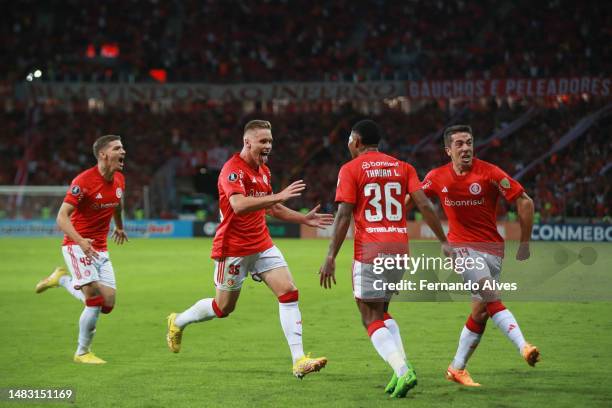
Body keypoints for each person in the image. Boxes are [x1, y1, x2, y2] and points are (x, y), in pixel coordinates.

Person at [166, 120, 333, 378]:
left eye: (270, 141)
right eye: (262, 141)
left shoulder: (263, 170)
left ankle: (299, 360)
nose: (267, 146)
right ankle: (178, 321)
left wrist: (303, 218)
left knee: (289, 292)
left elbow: (272, 208)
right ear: (247, 142)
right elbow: (239, 205)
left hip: (261, 243)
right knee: (223, 309)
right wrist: (279, 195)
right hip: (233, 247)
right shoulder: (232, 170)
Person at [319, 119, 450, 398]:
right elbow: (425, 204)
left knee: (368, 316)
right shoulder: (404, 167)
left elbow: (343, 215)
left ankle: (403, 370)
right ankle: (400, 369)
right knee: (382, 311)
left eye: (349, 140)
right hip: (399, 249)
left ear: (356, 141)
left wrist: (330, 256)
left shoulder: (350, 169)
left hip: (371, 249)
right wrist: (444, 240)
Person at [420, 124, 540, 386]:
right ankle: (524, 346)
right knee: (489, 293)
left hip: (493, 250)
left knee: (481, 312)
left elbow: (525, 201)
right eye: (459, 144)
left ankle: (456, 368)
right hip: (460, 248)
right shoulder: (436, 177)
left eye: (469, 142)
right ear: (448, 150)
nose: (466, 148)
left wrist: (525, 242)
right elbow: (413, 199)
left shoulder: (490, 173)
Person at [35, 135, 128, 364]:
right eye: (117, 148)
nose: (123, 152)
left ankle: (61, 280)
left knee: (108, 304)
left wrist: (119, 226)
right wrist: (80, 241)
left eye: (123, 147)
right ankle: (82, 352)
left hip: (100, 249)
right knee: (94, 300)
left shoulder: (119, 179)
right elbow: (61, 217)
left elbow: (117, 201)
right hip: (77, 246)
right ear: (103, 155)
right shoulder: (83, 181)